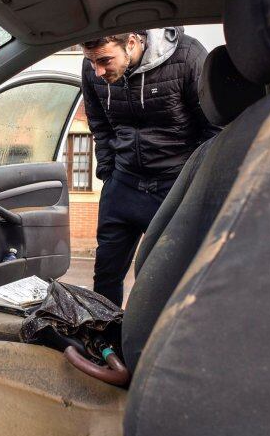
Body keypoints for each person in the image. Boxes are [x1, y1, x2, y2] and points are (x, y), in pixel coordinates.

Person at [80, 28, 217, 306]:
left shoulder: (188, 56)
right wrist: (109, 173)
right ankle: (103, 344)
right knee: (105, 276)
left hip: (174, 187)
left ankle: (157, 343)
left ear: (131, 43)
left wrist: (193, 184)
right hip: (123, 183)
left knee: (167, 278)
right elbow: (99, 124)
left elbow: (212, 128)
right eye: (92, 62)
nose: (97, 71)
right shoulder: (93, 67)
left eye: (105, 61)